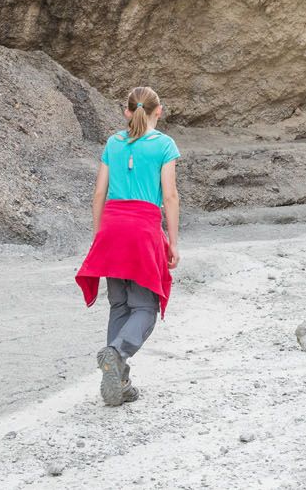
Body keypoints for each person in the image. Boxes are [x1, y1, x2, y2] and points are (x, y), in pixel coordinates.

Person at [75, 86, 181, 406]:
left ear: (126, 112)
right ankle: (117, 354)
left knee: (119, 305)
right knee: (145, 308)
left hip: (111, 228)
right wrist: (173, 242)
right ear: (158, 111)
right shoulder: (164, 144)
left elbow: (98, 194)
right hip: (142, 230)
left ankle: (119, 382)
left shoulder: (113, 143)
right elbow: (171, 197)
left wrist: (99, 236)